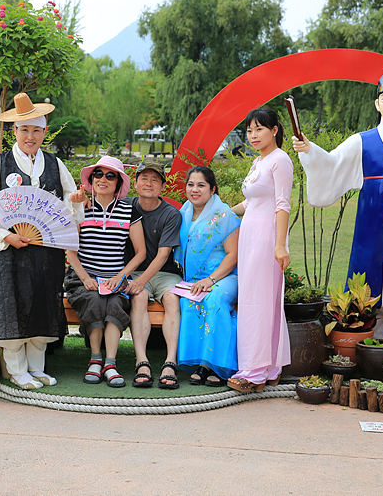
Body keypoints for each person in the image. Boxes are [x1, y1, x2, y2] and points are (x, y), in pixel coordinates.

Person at [292, 65, 383, 335]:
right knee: (367, 277)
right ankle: (366, 341)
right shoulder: (361, 141)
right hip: (370, 222)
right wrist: (309, 149)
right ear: (377, 103)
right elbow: (331, 163)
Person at [0, 93, 84, 390]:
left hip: (47, 251)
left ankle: (37, 368)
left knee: (44, 305)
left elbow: (70, 209)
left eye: (36, 130)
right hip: (11, 251)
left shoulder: (56, 165)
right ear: (14, 132)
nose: (30, 136)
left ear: (44, 133)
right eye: (24, 130)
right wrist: (6, 235)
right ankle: (17, 371)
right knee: (13, 306)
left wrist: (77, 202)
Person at [66, 156, 146, 387]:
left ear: (118, 183)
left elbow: (140, 252)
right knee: (93, 300)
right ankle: (95, 359)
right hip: (83, 276)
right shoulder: (80, 209)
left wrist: (120, 276)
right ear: (91, 180)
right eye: (98, 174)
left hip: (115, 277)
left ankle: (110, 363)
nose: (103, 179)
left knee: (114, 304)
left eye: (110, 175)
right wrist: (85, 278)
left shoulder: (129, 211)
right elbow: (70, 250)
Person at [228, 107, 293, 392]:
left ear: (275, 130)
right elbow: (250, 203)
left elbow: (282, 204)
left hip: (267, 239)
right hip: (249, 237)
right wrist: (221, 216)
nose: (253, 135)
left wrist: (280, 245)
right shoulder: (259, 161)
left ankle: (254, 370)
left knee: (261, 302)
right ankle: (269, 368)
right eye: (250, 131)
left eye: (260, 129)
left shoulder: (280, 160)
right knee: (254, 299)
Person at [175, 166, 241, 386]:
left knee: (213, 300)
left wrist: (211, 280)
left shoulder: (224, 215)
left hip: (225, 276)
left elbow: (233, 255)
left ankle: (215, 366)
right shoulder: (184, 213)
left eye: (201, 185)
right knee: (189, 301)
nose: (195, 190)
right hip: (195, 279)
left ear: (212, 189)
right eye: (191, 184)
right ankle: (200, 361)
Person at [123, 161, 183, 389]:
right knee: (137, 298)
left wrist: (140, 281)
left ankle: (170, 361)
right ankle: (142, 361)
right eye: (144, 178)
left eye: (155, 179)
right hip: (135, 271)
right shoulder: (125, 207)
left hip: (164, 273)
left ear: (162, 186)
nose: (149, 183)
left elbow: (162, 255)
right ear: (135, 183)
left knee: (171, 298)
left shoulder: (170, 214)